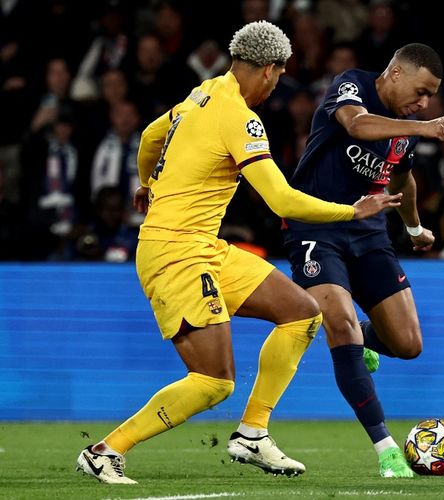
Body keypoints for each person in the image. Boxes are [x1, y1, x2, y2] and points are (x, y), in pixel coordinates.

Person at [75, 21, 401, 485]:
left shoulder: (201, 93)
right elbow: (283, 201)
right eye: (278, 76)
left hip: (203, 246)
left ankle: (252, 433)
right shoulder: (241, 118)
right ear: (269, 70)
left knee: (303, 313)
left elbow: (149, 137)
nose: (275, 86)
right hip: (176, 253)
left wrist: (147, 183)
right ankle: (106, 451)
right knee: (214, 381)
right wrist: (354, 211)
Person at [283, 43, 444, 477]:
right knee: (337, 324)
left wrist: (414, 229)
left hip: (369, 233)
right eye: (421, 91)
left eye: (431, 97)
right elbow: (357, 126)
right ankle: (386, 448)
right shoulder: (353, 86)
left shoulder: (403, 129)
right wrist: (423, 126)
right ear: (396, 72)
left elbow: (402, 179)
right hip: (315, 227)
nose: (424, 103)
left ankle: (364, 337)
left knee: (408, 344)